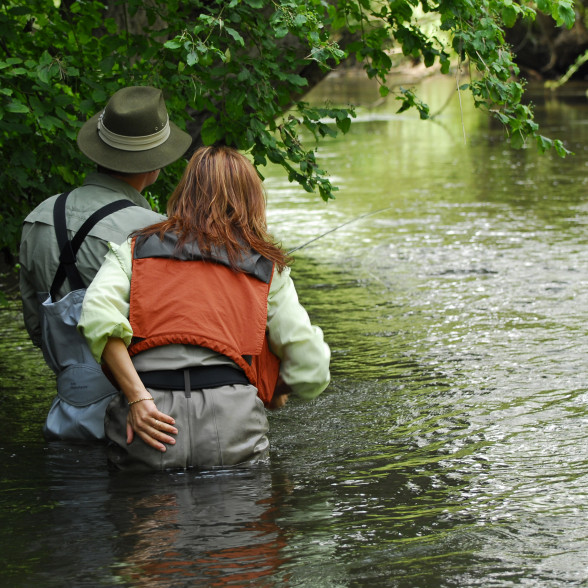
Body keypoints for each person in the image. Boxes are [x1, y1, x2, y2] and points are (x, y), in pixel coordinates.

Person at [78, 145, 330, 471]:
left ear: (184, 192)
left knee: (143, 514)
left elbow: (96, 315)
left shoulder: (134, 250)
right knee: (247, 517)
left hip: (149, 418)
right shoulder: (267, 268)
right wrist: (273, 390)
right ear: (252, 201)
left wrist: (138, 398)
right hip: (233, 420)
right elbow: (312, 366)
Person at [19, 86, 192, 441]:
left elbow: (37, 327)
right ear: (155, 164)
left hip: (66, 415)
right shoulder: (153, 232)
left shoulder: (38, 219)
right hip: (142, 418)